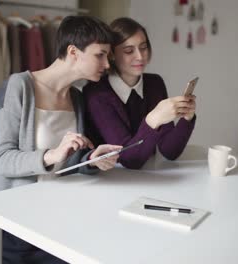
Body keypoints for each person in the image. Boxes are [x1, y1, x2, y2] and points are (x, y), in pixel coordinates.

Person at [0, 16, 120, 264]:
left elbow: (67, 160)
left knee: (111, 242)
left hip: (56, 212)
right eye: (100, 55)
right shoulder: (17, 87)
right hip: (12, 221)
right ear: (73, 52)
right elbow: (0, 159)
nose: (107, 64)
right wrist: (51, 155)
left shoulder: (76, 98)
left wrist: (90, 159)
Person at [83, 17, 196, 169]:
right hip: (112, 180)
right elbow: (128, 159)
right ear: (112, 55)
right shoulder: (96, 94)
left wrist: (186, 119)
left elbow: (170, 151)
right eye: (129, 50)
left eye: (143, 47)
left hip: (148, 177)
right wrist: (153, 119)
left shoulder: (155, 83)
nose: (140, 56)